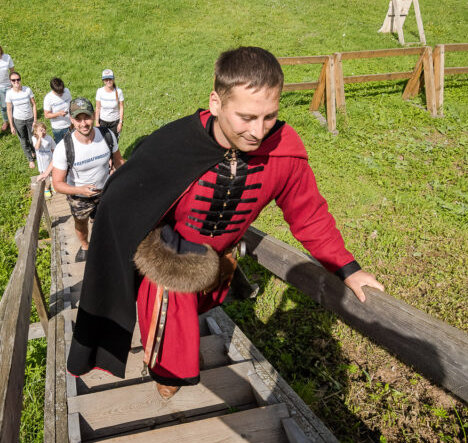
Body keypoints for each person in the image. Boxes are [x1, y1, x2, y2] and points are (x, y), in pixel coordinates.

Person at [66, 47, 385, 400]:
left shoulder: (284, 150)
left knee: (194, 311)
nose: (258, 131)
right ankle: (167, 373)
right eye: (246, 117)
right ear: (216, 103)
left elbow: (307, 213)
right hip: (168, 252)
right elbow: (127, 192)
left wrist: (346, 266)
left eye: (269, 117)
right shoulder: (175, 143)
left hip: (220, 258)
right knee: (166, 323)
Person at [51, 98, 124, 263]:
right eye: (78, 119)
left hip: (105, 190)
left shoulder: (107, 135)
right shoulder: (64, 148)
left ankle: (104, 246)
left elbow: (119, 161)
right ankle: (85, 246)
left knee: (106, 222)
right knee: (81, 223)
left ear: (94, 115)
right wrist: (80, 190)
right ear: (71, 120)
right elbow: (57, 184)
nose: (83, 123)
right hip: (79, 196)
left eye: (87, 118)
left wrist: (126, 178)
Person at [5, 72, 37, 169]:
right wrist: (11, 125)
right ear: (10, 82)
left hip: (30, 119)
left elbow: (34, 105)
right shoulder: (9, 93)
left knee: (33, 139)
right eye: (13, 80)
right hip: (18, 120)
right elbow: (9, 110)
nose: (16, 82)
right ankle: (30, 159)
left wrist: (35, 120)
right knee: (23, 140)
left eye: (18, 79)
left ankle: (35, 151)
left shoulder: (27, 90)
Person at [95, 69, 125, 141]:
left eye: (110, 79)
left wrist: (120, 122)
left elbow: (121, 107)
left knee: (114, 142)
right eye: (106, 80)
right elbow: (98, 107)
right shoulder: (100, 91)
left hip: (115, 122)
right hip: (103, 121)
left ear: (113, 79)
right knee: (103, 142)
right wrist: (96, 122)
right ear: (103, 81)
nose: (108, 81)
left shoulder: (119, 91)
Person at [42, 77, 72, 144]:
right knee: (61, 145)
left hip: (70, 124)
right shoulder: (48, 98)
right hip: (58, 128)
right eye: (59, 93)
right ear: (53, 90)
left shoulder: (67, 91)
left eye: (62, 92)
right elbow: (46, 115)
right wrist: (59, 114)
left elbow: (71, 104)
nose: (61, 94)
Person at [33, 121, 56, 199]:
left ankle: (52, 185)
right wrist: (39, 137)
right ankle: (46, 188)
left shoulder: (49, 138)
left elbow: (53, 148)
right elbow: (36, 147)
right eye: (40, 130)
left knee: (52, 174)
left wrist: (55, 157)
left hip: (49, 159)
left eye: (43, 129)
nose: (42, 131)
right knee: (43, 176)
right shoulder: (34, 138)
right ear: (36, 132)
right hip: (42, 162)